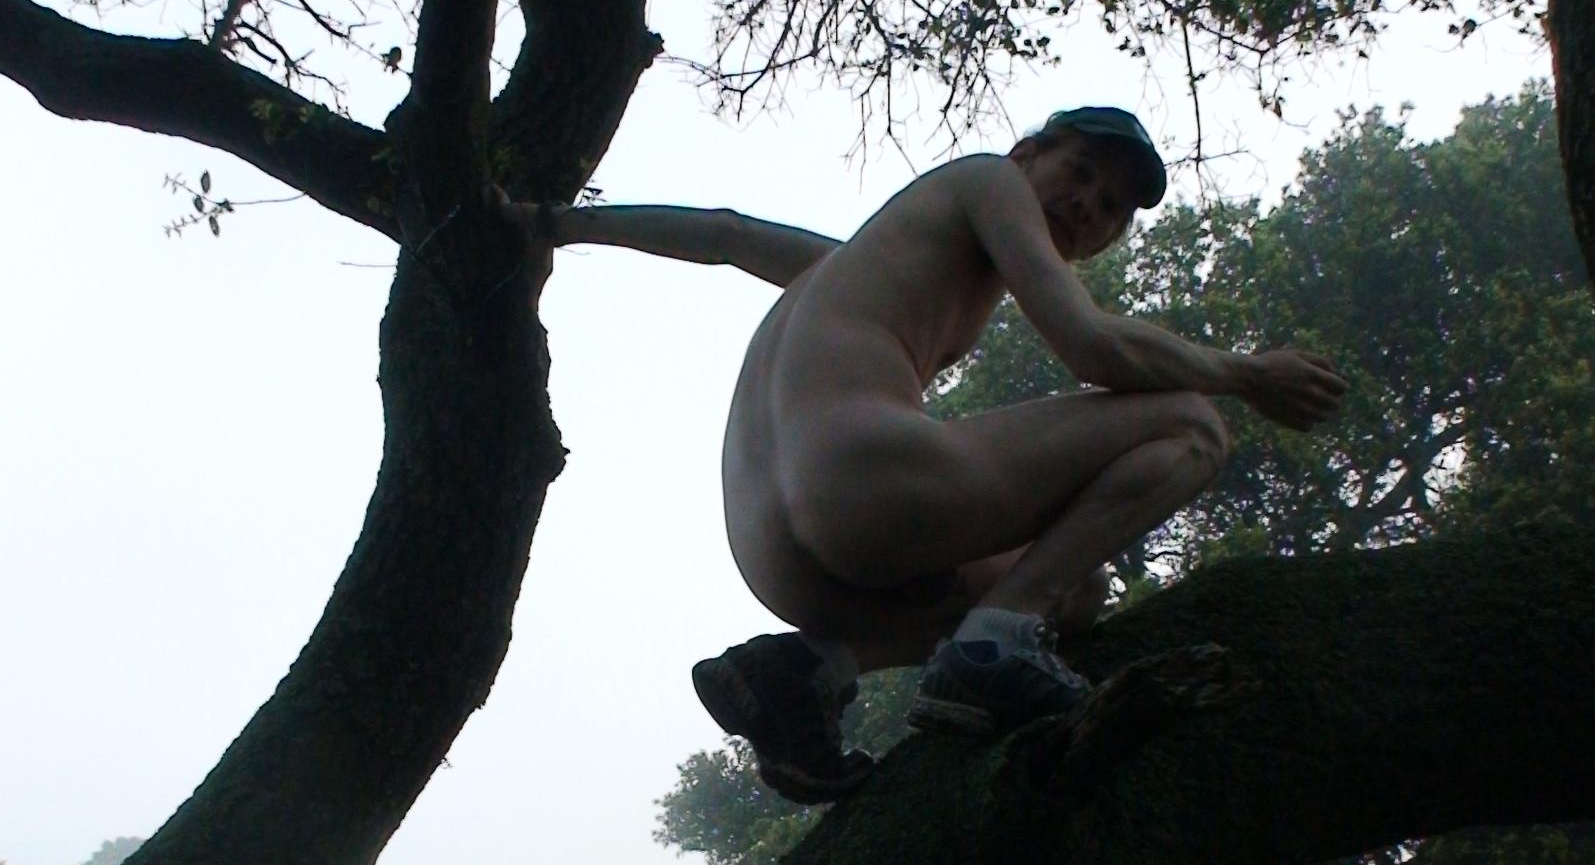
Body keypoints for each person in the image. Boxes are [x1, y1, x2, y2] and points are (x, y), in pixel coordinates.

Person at [541, 108, 1345, 801]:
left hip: (773, 555)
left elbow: (727, 235)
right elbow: (1091, 345)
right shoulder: (990, 179)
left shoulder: (858, 264)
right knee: (1193, 424)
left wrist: (554, 224)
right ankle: (992, 643)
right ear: (1028, 153)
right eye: (1080, 171)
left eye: (1109, 207)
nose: (1086, 203)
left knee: (1076, 591)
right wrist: (1248, 375)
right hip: (864, 481)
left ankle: (807, 669)